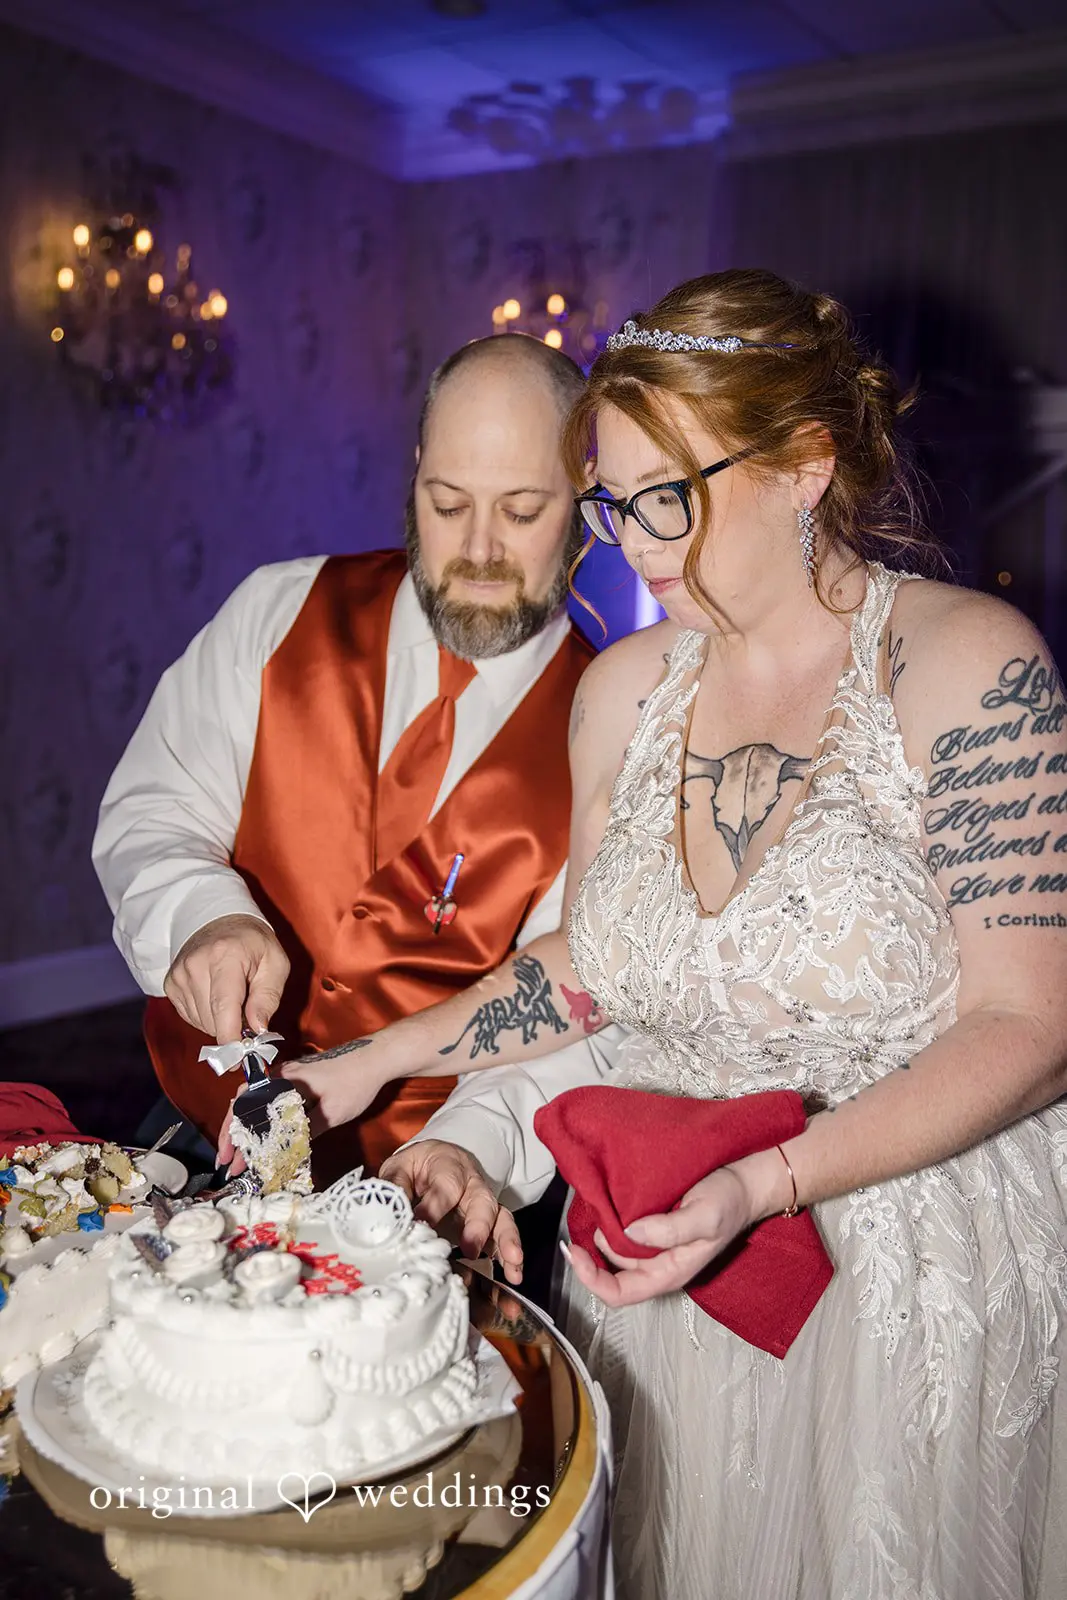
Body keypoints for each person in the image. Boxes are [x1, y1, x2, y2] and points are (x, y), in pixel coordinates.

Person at [290, 270, 1067, 1599]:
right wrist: (376, 1059)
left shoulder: (967, 667)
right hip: (661, 1263)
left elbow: (1032, 1029)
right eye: (611, 499)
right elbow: (590, 968)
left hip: (900, 1274)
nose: (634, 544)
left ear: (804, 466)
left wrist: (763, 1184)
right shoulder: (622, 691)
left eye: (669, 496)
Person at [92, 332, 623, 1184]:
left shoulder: (613, 726)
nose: (480, 549)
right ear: (414, 470)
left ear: (585, 495)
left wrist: (468, 1145)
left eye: (521, 511)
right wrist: (200, 914)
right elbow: (156, 807)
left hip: (421, 1178)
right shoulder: (279, 607)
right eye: (447, 503)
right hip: (195, 1135)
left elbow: (585, 999)